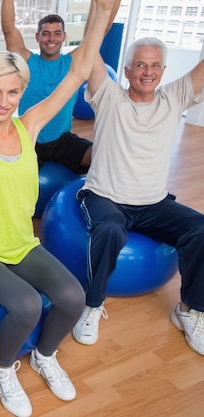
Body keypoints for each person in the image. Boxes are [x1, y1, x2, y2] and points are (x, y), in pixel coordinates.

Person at [0, 0, 114, 415]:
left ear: (22, 91)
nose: (3, 101)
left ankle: (45, 356)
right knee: (28, 304)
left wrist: (101, 12)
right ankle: (2, 368)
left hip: (20, 244)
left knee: (72, 296)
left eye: (12, 91)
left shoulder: (29, 125)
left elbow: (76, 73)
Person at [71, 38, 204, 354]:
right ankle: (91, 307)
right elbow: (90, 54)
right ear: (127, 70)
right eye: (141, 65)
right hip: (105, 196)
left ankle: (190, 310)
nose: (148, 72)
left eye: (155, 65)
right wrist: (101, 11)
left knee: (201, 229)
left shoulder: (174, 98)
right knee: (110, 229)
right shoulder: (108, 96)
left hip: (153, 203)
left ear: (164, 70)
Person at [0, 0, 120, 174]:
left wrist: (107, 5)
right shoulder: (26, 62)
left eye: (57, 33)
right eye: (46, 33)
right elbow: (8, 28)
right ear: (37, 37)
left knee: (104, 155)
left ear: (64, 37)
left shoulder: (73, 63)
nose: (51, 39)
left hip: (63, 141)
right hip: (29, 138)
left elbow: (102, 29)